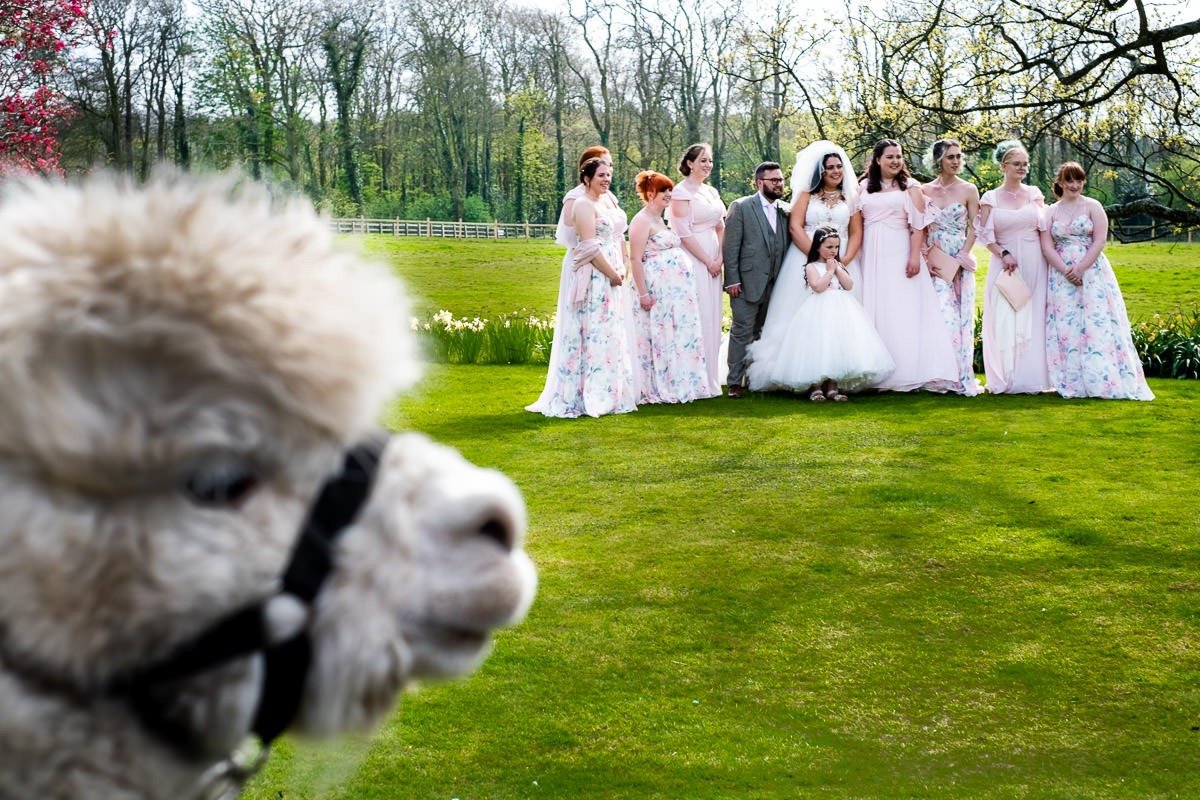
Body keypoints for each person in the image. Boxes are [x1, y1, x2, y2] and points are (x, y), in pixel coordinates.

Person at [526, 157, 637, 417]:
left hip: (612, 276)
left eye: (609, 175)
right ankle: (586, 394)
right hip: (596, 277)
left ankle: (610, 392)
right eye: (601, 175)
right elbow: (588, 246)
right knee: (592, 331)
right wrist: (612, 273)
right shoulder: (583, 205)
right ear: (587, 178)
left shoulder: (605, 203)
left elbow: (615, 237)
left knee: (609, 332)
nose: (606, 179)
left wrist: (622, 267)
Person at [1040, 162, 1153, 400]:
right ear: (1061, 182)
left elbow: (1100, 240)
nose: (1075, 185)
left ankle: (1101, 376)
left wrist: (1080, 269)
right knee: (1067, 324)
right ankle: (1070, 380)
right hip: (1060, 276)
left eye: (1079, 180)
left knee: (1094, 322)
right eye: (1070, 180)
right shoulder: (1050, 211)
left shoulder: (1093, 206)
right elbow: (1046, 245)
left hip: (1092, 272)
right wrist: (1066, 270)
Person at [747, 226, 894, 400]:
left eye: (837, 247)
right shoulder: (811, 266)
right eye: (829, 247)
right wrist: (830, 272)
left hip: (840, 309)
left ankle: (833, 386)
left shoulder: (838, 265)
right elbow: (817, 287)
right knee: (817, 344)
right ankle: (816, 386)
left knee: (836, 344)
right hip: (818, 309)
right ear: (818, 246)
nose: (834, 251)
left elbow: (848, 285)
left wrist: (838, 269)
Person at [858, 138, 958, 391]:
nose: (895, 161)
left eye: (899, 156)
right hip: (871, 253)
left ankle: (906, 369)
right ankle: (874, 368)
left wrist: (914, 257)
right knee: (875, 306)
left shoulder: (911, 187)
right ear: (878, 160)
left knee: (902, 308)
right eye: (890, 157)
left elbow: (918, 227)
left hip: (900, 252)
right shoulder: (863, 187)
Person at [627, 170, 712, 404]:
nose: (668, 194)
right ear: (650, 193)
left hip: (676, 293)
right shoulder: (641, 220)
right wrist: (643, 292)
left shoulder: (661, 220)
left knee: (678, 334)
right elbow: (635, 258)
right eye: (663, 191)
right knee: (661, 334)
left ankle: (682, 380)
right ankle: (659, 384)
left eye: (669, 190)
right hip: (657, 291)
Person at [977, 140, 1051, 394]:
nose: (1022, 168)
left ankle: (1032, 376)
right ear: (1003, 166)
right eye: (1016, 164)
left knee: (1033, 316)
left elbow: (1046, 228)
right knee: (1006, 317)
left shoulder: (1034, 194)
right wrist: (1003, 253)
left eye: (1025, 164)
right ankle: (1007, 376)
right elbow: (985, 236)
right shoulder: (990, 198)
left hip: (1034, 261)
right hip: (1005, 263)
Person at [722, 161, 790, 397]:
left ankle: (756, 378)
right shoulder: (741, 207)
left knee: (764, 332)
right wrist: (732, 280)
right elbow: (730, 247)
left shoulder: (786, 210)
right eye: (774, 180)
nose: (779, 184)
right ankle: (734, 382)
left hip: (777, 283)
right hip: (746, 282)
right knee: (742, 330)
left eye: (781, 180)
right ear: (760, 182)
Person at [921, 138, 982, 396]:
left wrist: (963, 255)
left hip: (959, 256)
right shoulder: (924, 191)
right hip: (935, 259)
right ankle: (938, 373)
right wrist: (927, 258)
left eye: (958, 156)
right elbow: (920, 228)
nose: (956, 161)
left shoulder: (969, 189)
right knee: (940, 314)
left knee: (960, 317)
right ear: (938, 160)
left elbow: (975, 226)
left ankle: (959, 374)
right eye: (950, 157)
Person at [669, 143, 726, 397]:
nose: (707, 165)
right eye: (702, 160)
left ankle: (711, 377)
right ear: (690, 163)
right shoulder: (680, 193)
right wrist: (706, 260)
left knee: (713, 315)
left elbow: (721, 226)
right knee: (697, 314)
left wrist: (720, 258)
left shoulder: (712, 192)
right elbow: (683, 233)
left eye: (710, 160)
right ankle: (693, 377)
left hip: (715, 257)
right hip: (693, 259)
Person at [785, 140, 863, 303]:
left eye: (839, 166)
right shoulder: (806, 195)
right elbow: (795, 227)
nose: (836, 171)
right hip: (806, 254)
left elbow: (856, 232)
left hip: (840, 256)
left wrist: (843, 261)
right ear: (821, 171)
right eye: (830, 167)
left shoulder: (851, 197)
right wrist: (816, 256)